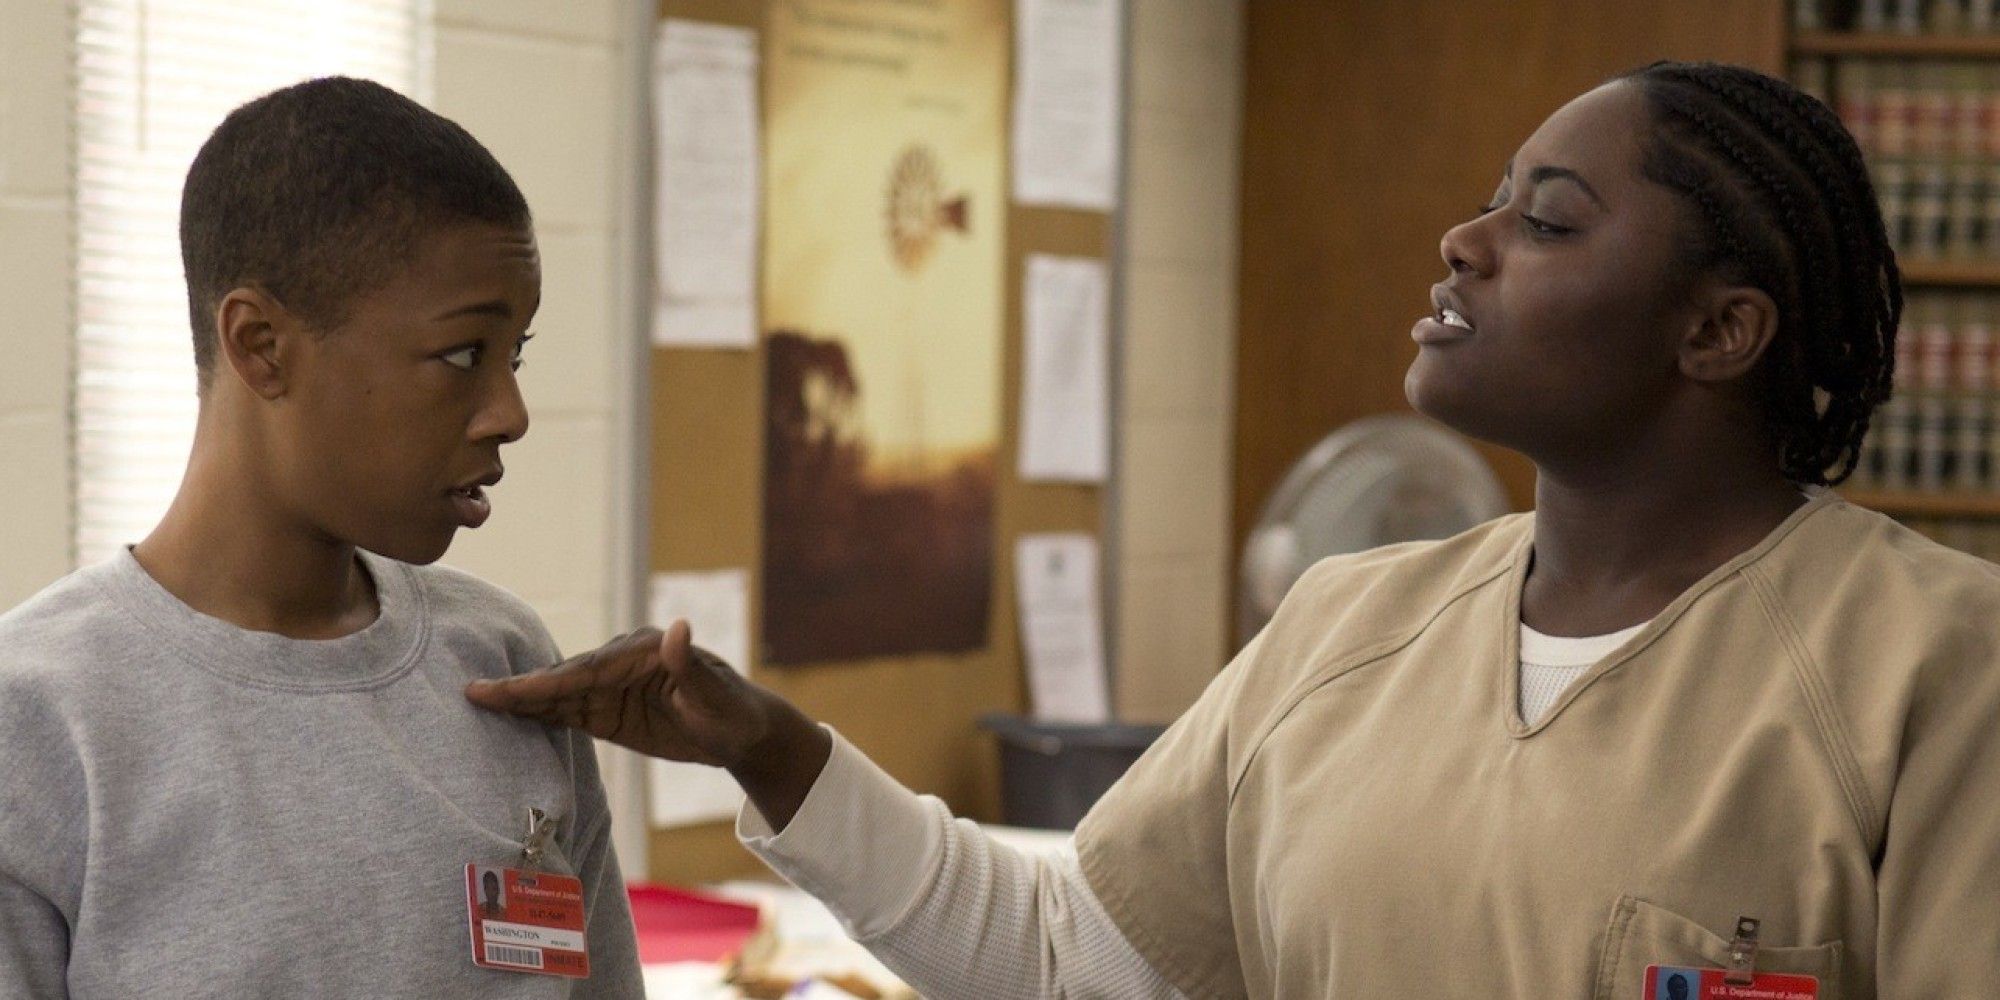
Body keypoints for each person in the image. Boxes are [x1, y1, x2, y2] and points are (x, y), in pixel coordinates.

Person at [468, 61, 2000, 997]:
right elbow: (1081, 967)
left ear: (1719, 331)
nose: (1465, 242)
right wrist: (771, 748)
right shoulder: (1345, 626)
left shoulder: (1931, 670)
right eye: (1490, 203)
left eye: (1546, 220)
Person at [0, 78, 642, 997]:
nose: (510, 413)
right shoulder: (38, 722)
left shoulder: (506, 665)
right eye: (463, 355)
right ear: (261, 345)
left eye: (517, 356)